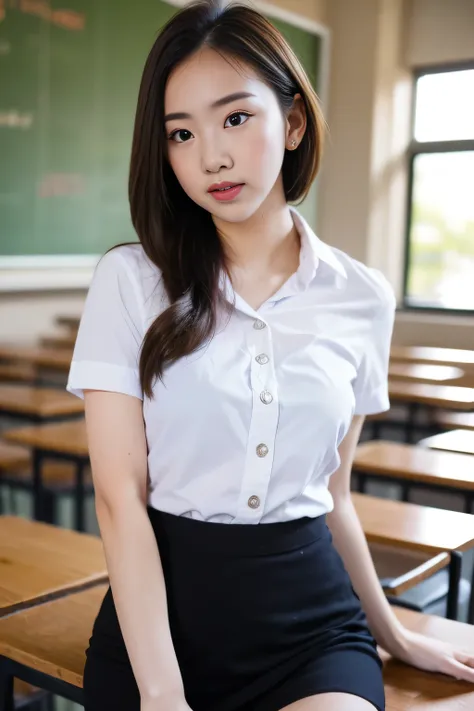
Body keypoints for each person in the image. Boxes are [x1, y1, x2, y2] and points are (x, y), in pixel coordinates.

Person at [66, 1, 474, 710]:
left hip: (310, 626)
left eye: (235, 118)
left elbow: (334, 495)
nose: (211, 156)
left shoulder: (362, 296)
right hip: (163, 626)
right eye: (181, 133)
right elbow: (118, 498)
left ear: (291, 122)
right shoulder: (130, 281)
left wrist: (395, 634)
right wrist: (162, 694)